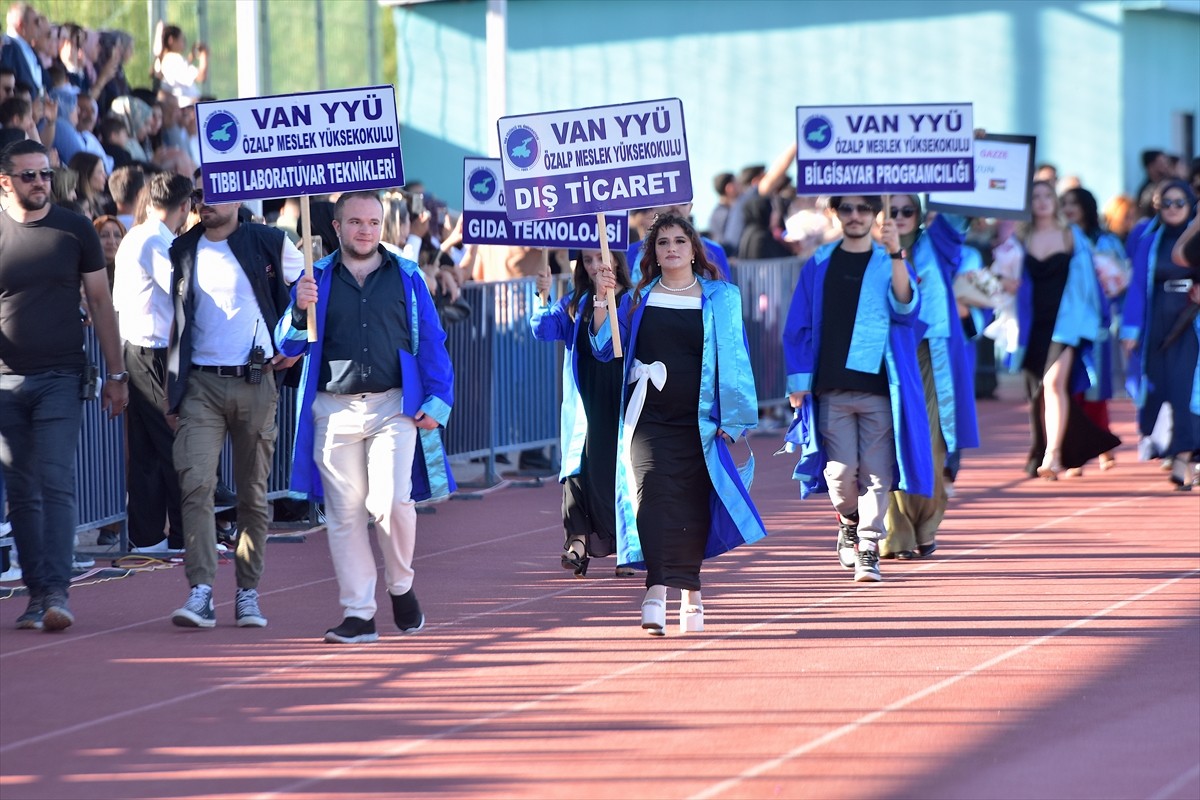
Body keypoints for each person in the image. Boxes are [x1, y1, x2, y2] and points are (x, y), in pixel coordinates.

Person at [274, 191, 455, 644]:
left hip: (393, 407)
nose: (365, 230)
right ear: (336, 227)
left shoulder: (407, 275)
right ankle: (358, 613)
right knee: (344, 515)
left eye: (373, 222)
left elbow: (432, 340)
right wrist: (298, 307)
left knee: (393, 502)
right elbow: (287, 347)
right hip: (332, 411)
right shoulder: (314, 277)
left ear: (382, 226)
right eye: (355, 222)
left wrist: (438, 399)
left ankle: (401, 585)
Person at [591, 213, 766, 636]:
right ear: (652, 253)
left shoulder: (721, 297)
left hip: (700, 420)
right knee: (650, 495)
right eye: (662, 242)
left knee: (691, 505)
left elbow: (737, 357)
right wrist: (602, 299)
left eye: (679, 241)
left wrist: (735, 416)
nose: (671, 248)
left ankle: (691, 589)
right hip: (647, 416)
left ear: (693, 249)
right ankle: (655, 590)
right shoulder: (636, 298)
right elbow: (603, 348)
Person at [0, 139, 128, 631]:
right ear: (5, 181)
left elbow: (100, 302)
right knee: (21, 489)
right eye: (29, 175)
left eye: (46, 174)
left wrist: (116, 375)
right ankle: (36, 594)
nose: (40, 183)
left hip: (62, 376)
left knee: (55, 478)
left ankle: (56, 590)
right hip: (5, 384)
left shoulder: (75, 228)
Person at [165, 184, 303, 628]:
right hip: (201, 384)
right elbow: (178, 323)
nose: (206, 201)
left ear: (239, 198)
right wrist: (173, 390)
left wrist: (297, 345)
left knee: (253, 496)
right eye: (198, 193)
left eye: (216, 192)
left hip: (256, 380)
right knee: (196, 484)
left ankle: (248, 592)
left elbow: (313, 296)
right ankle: (201, 590)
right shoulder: (182, 248)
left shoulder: (270, 241)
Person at [782, 194, 932, 583]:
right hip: (831, 386)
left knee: (879, 474)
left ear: (875, 214)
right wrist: (798, 382)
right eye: (846, 208)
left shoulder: (889, 261)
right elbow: (798, 323)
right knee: (840, 474)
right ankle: (849, 520)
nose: (854, 215)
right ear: (835, 212)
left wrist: (897, 253)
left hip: (881, 387)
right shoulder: (819, 262)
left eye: (863, 208)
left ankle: (868, 547)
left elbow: (906, 308)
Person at [878, 196, 978, 560]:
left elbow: (961, 210)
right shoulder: (867, 250)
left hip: (930, 358)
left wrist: (969, 153)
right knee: (888, 446)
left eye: (909, 211)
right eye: (894, 210)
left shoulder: (938, 243)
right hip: (886, 357)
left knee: (932, 445)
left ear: (920, 215)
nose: (900, 217)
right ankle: (896, 532)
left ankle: (927, 523)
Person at [531, 248, 634, 578]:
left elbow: (607, 348)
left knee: (613, 473)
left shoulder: (633, 301)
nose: (593, 266)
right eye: (587, 261)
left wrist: (605, 301)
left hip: (617, 399)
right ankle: (576, 542)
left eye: (599, 259)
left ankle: (626, 548)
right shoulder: (574, 302)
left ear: (616, 259)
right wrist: (542, 295)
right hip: (582, 400)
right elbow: (543, 331)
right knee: (576, 470)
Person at [1013, 181, 1119, 479]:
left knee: (1054, 383)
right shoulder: (1020, 237)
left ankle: (1053, 456)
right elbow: (1009, 281)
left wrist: (1095, 321)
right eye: (1035, 196)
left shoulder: (1072, 236)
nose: (1043, 202)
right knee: (1036, 392)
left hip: (1067, 323)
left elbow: (1089, 283)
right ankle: (1043, 449)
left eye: (1048, 196)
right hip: (1032, 325)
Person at [112, 173, 193, 551]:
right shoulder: (152, 239)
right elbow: (181, 290)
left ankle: (147, 536)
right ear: (185, 206)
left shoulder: (145, 236)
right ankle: (180, 534)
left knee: (147, 447)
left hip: (143, 348)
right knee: (172, 442)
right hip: (152, 351)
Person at [1121, 179, 1199, 489]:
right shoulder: (1147, 240)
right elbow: (1138, 287)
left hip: (1191, 323)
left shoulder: (1197, 237)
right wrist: (1131, 329)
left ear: (1190, 205)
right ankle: (1171, 448)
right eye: (1166, 203)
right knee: (1159, 388)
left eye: (1179, 203)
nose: (1173, 209)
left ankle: (1182, 457)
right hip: (1157, 321)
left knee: (1185, 390)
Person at [1061, 186, 1128, 473]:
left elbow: (1122, 278)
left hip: (1099, 320)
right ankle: (1076, 449)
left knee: (1096, 385)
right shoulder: (1057, 237)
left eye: (1074, 203)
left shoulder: (1106, 241)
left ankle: (1101, 442)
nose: (1068, 208)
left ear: (1086, 206)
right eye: (1063, 203)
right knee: (1069, 386)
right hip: (1065, 321)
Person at [154, 24, 207, 108]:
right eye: (182, 39)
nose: (184, 42)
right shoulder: (175, 59)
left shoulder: (162, 60)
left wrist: (191, 57)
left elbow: (180, 75)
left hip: (177, 108)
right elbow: (201, 76)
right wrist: (204, 55)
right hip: (188, 107)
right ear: (171, 40)